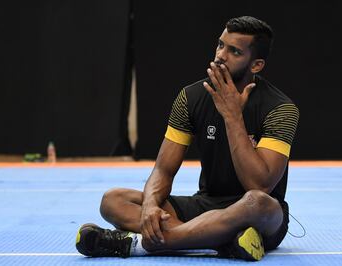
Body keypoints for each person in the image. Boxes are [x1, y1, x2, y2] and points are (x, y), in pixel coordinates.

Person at [75, 16, 299, 261]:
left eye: (234, 51)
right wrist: (150, 204)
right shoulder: (190, 98)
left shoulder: (281, 109)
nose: (221, 55)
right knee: (114, 200)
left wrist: (233, 117)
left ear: (255, 65)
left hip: (260, 215)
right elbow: (163, 170)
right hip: (205, 206)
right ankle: (222, 241)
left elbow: (260, 185)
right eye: (220, 45)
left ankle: (145, 243)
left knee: (257, 203)